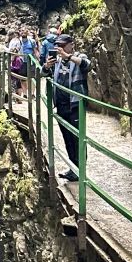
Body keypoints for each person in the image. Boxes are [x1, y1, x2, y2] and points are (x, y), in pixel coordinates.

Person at [51, 32, 90, 182]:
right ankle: (73, 168)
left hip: (75, 105)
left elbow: (87, 65)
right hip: (60, 105)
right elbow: (43, 73)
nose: (59, 48)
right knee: (67, 138)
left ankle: (81, 170)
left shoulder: (78, 57)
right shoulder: (58, 61)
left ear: (71, 45)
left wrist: (68, 57)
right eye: (57, 46)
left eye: (62, 45)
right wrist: (47, 66)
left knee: (78, 138)